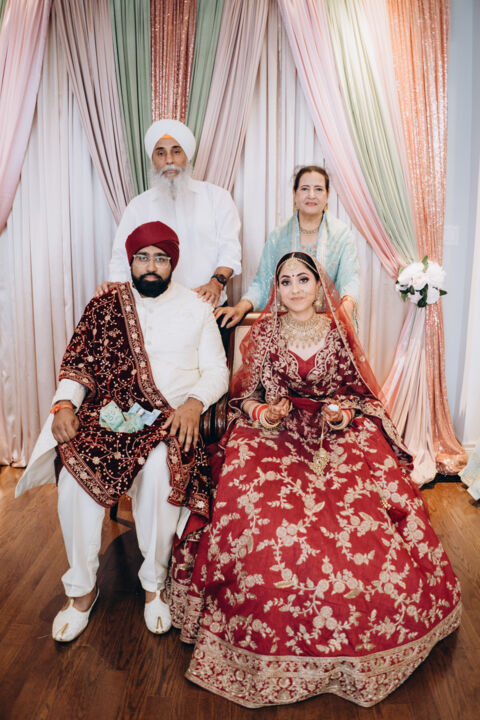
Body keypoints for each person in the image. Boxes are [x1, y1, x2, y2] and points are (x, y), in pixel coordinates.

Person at [170, 251, 461, 708]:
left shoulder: (338, 332)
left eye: (303, 279)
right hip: (275, 434)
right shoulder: (265, 332)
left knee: (361, 531)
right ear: (277, 289)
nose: (295, 289)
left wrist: (343, 413)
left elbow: (360, 394)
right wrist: (262, 413)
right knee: (262, 527)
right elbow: (244, 395)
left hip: (334, 434)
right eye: (285, 281)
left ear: (319, 285)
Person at [16, 221, 229, 643]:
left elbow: (217, 371)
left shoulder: (196, 307)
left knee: (160, 471)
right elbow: (77, 363)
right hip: (107, 416)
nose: (151, 266)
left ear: (173, 263)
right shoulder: (105, 305)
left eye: (161, 258)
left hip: (168, 419)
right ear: (131, 261)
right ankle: (81, 589)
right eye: (142, 257)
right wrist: (64, 404)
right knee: (75, 476)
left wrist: (193, 404)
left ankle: (154, 584)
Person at [98, 118, 241, 307]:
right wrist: (115, 288)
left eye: (176, 151)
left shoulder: (217, 197)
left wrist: (216, 283)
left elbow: (230, 249)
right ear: (153, 160)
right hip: (155, 310)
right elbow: (121, 257)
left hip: (208, 305)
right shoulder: (138, 206)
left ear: (187, 156)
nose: (169, 160)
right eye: (160, 153)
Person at [216, 165, 359, 327]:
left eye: (319, 189)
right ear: (294, 193)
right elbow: (262, 283)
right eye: (305, 189)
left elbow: (350, 279)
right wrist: (241, 307)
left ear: (328, 195)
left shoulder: (342, 235)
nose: (311, 195)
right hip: (287, 326)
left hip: (330, 323)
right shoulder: (278, 237)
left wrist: (347, 306)